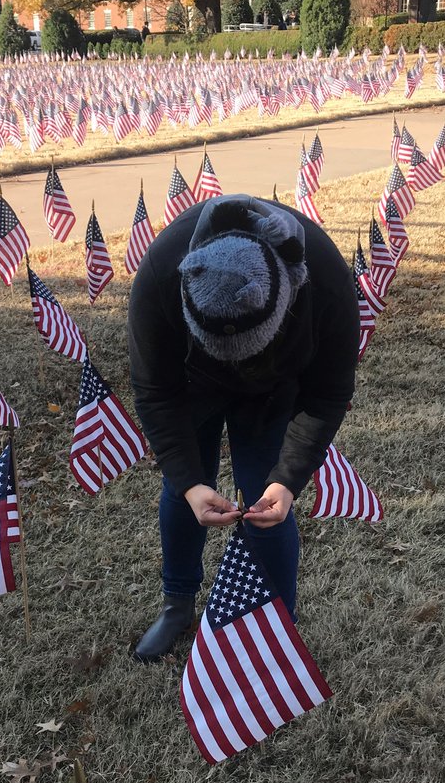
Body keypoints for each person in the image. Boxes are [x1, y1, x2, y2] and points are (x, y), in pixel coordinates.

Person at [126, 194, 359, 662]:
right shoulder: (159, 276)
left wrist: (288, 478)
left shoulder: (328, 280)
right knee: (185, 483)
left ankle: (278, 628)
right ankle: (178, 607)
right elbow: (155, 393)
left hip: (276, 387)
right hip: (194, 382)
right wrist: (191, 483)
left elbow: (327, 395)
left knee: (265, 499)